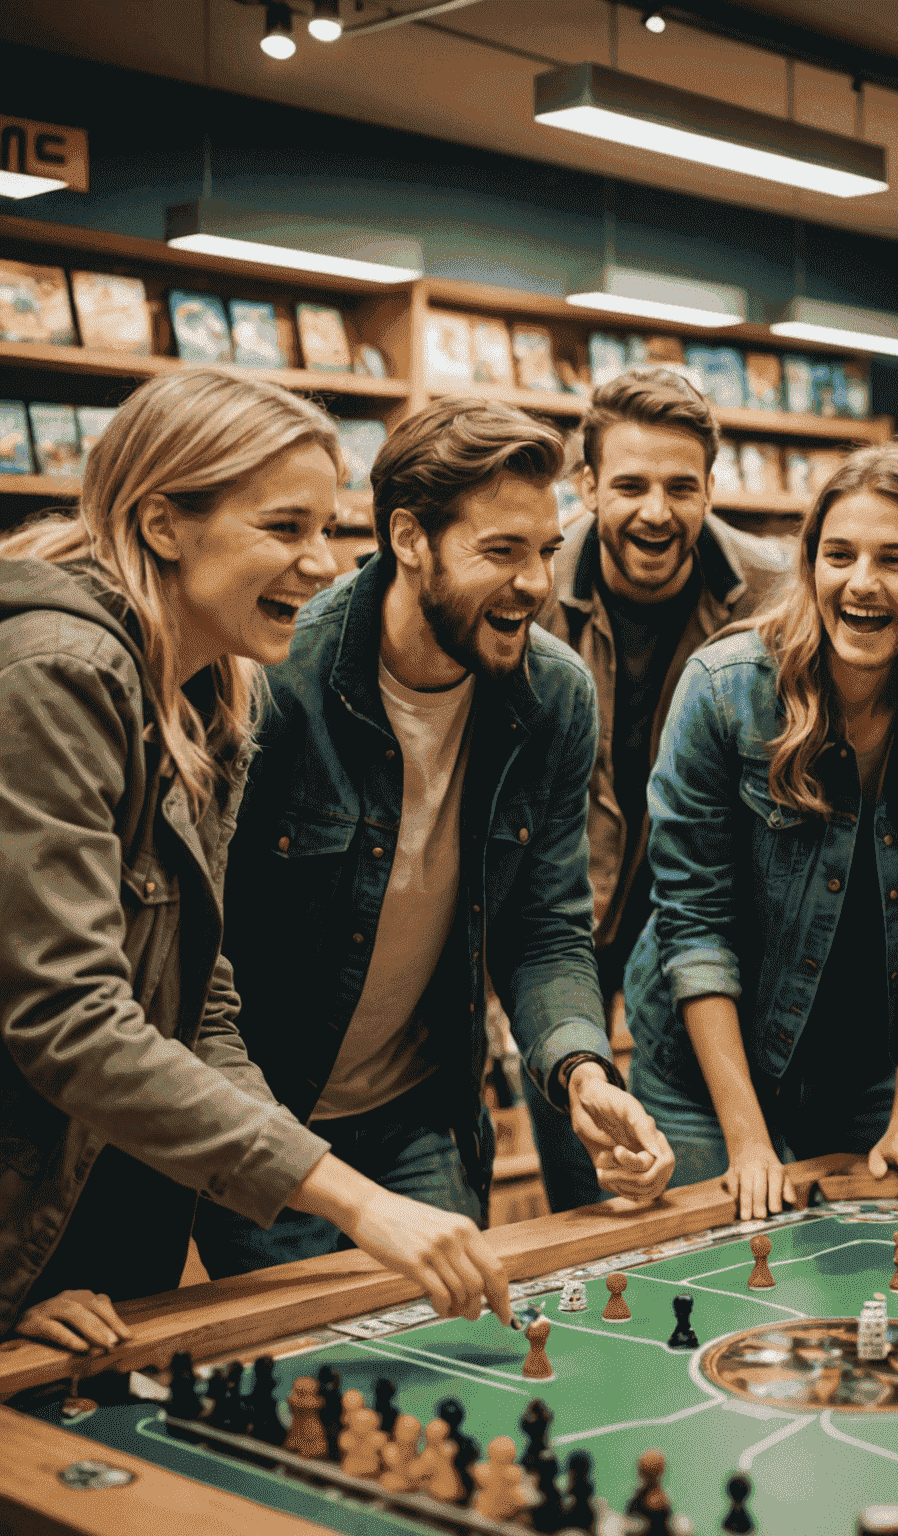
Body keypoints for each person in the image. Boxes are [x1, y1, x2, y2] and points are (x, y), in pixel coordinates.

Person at [1, 369, 514, 1352]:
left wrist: (318, 1180)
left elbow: (201, 1005)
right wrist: (359, 1202)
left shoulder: (212, 693)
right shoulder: (55, 674)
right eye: (286, 529)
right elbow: (68, 1018)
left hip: (89, 1223)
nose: (322, 565)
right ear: (163, 524)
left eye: (328, 529)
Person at [194, 397, 674, 1280]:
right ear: (410, 539)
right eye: (501, 552)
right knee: (306, 1383)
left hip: (424, 1112)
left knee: (447, 1358)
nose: (534, 583)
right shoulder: (271, 679)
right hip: (271, 1114)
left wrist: (583, 1074)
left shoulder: (555, 698)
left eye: (546, 552)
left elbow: (545, 927)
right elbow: (199, 951)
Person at [624, 443, 898, 1220]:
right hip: (701, 1077)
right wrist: (749, 1142)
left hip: (861, 1070)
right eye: (840, 555)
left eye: (895, 560)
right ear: (810, 566)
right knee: (725, 1272)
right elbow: (694, 930)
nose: (861, 583)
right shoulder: (725, 691)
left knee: (875, 1274)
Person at [530, 367, 787, 1208]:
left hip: (702, 909)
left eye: (682, 487)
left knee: (695, 1180)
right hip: (560, 906)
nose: (656, 511)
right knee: (590, 1170)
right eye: (630, 485)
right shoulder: (531, 590)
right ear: (588, 485)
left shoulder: (774, 596)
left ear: (711, 488)